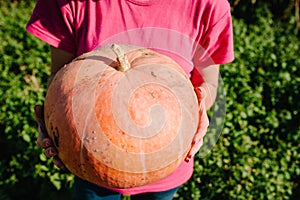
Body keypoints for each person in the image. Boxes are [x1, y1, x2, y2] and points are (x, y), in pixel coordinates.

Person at [27, 0, 234, 199]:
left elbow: (208, 84)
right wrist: (54, 117)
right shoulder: (69, 2)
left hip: (169, 163)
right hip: (89, 159)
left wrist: (198, 106)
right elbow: (60, 77)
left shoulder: (208, 5)